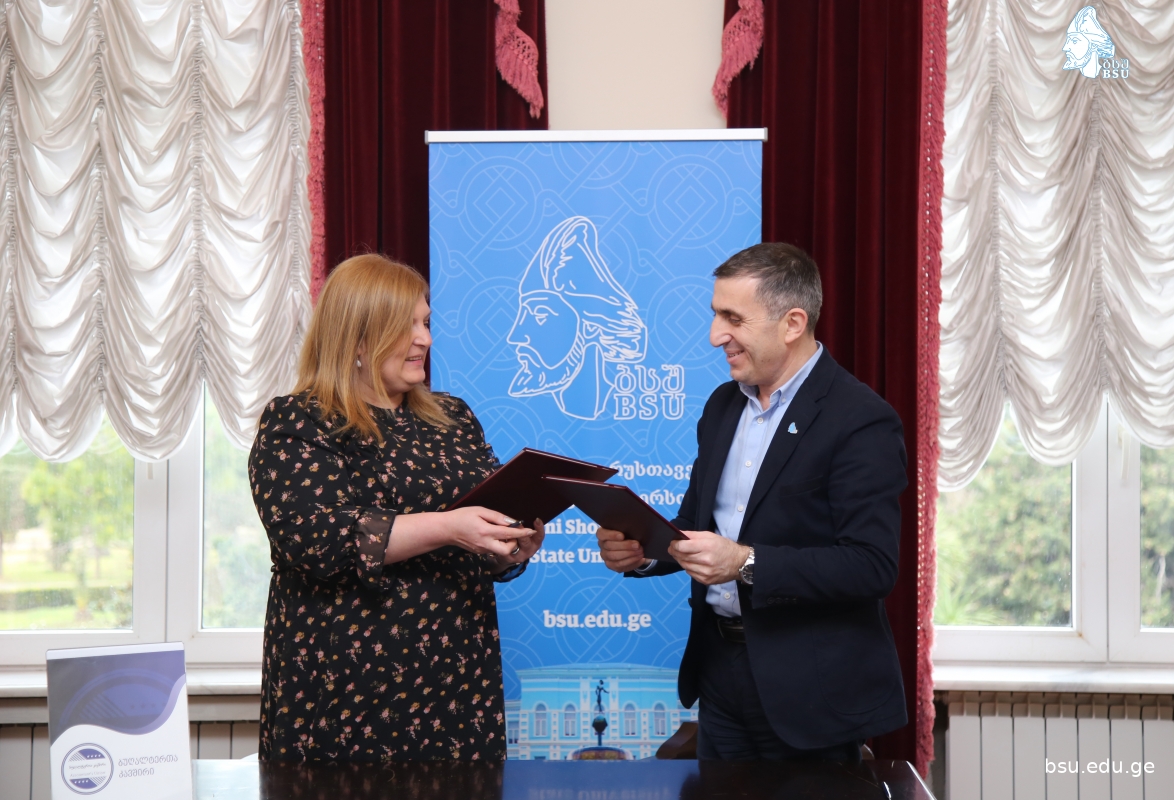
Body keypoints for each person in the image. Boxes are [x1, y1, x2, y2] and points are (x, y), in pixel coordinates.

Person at [596, 243, 907, 762]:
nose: (715, 335)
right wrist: (644, 551)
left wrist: (745, 563)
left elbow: (871, 565)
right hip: (719, 675)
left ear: (792, 324)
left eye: (733, 318)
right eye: (716, 315)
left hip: (811, 692)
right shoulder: (722, 406)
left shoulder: (860, 419)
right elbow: (696, 524)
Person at [249, 254, 545, 762]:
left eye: (425, 323)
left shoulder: (453, 417)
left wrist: (507, 547)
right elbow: (318, 539)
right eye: (406, 326)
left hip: (458, 684)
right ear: (357, 338)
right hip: (344, 689)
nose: (424, 339)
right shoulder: (298, 421)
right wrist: (448, 527)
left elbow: (481, 521)